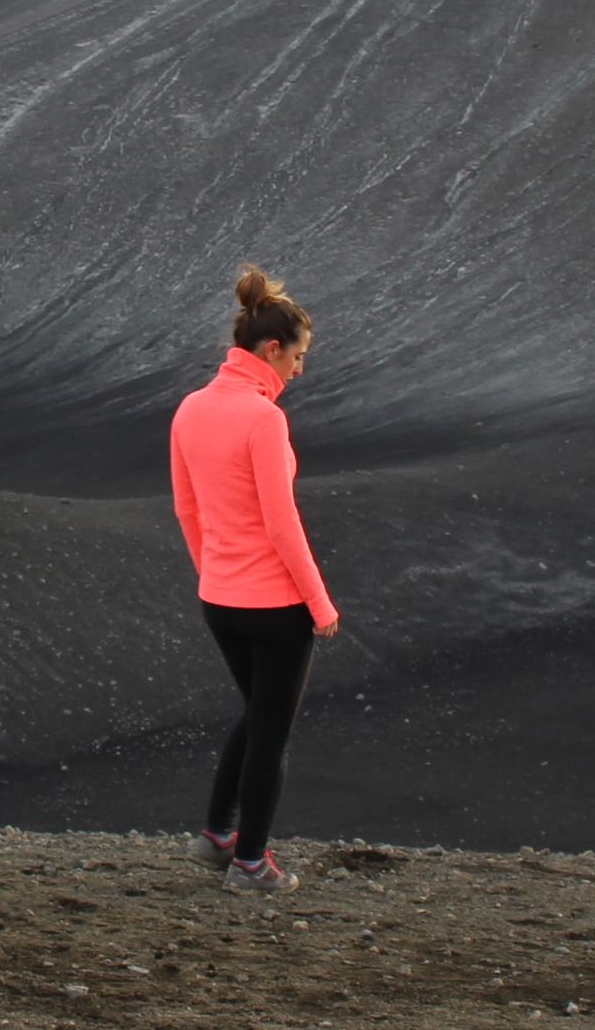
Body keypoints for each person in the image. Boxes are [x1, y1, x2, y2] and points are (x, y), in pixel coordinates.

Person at [169, 265, 341, 892]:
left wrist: (214, 574)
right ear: (272, 350)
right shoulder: (262, 420)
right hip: (274, 606)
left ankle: (216, 835)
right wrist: (319, 605)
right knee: (271, 732)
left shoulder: (191, 409)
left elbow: (187, 509)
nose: (299, 370)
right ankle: (250, 865)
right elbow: (282, 522)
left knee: (258, 712)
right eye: (297, 357)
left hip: (221, 600)